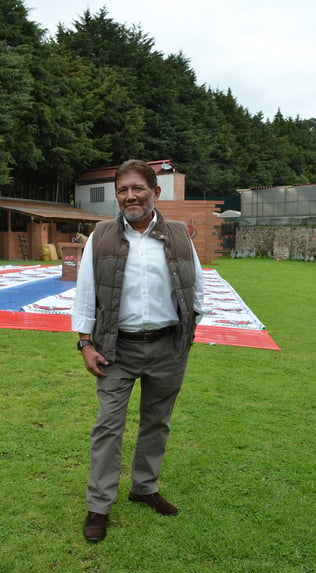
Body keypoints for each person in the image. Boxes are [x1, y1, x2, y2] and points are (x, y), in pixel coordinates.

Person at [71, 159, 204, 542]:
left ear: (155, 192)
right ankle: (99, 505)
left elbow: (196, 289)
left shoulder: (180, 234)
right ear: (117, 195)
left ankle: (144, 487)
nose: (130, 196)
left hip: (168, 347)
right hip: (115, 349)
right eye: (122, 190)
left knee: (156, 423)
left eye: (138, 188)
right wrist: (84, 343)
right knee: (107, 427)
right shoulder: (101, 236)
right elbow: (84, 294)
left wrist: (188, 335)